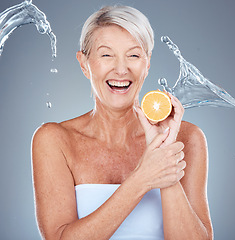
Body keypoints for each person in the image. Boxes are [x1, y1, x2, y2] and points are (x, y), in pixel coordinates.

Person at [32, 5, 213, 240]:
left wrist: (164, 154)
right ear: (84, 63)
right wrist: (142, 179)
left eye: (134, 55)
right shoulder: (54, 140)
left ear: (147, 64)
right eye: (106, 55)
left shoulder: (188, 139)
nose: (121, 69)